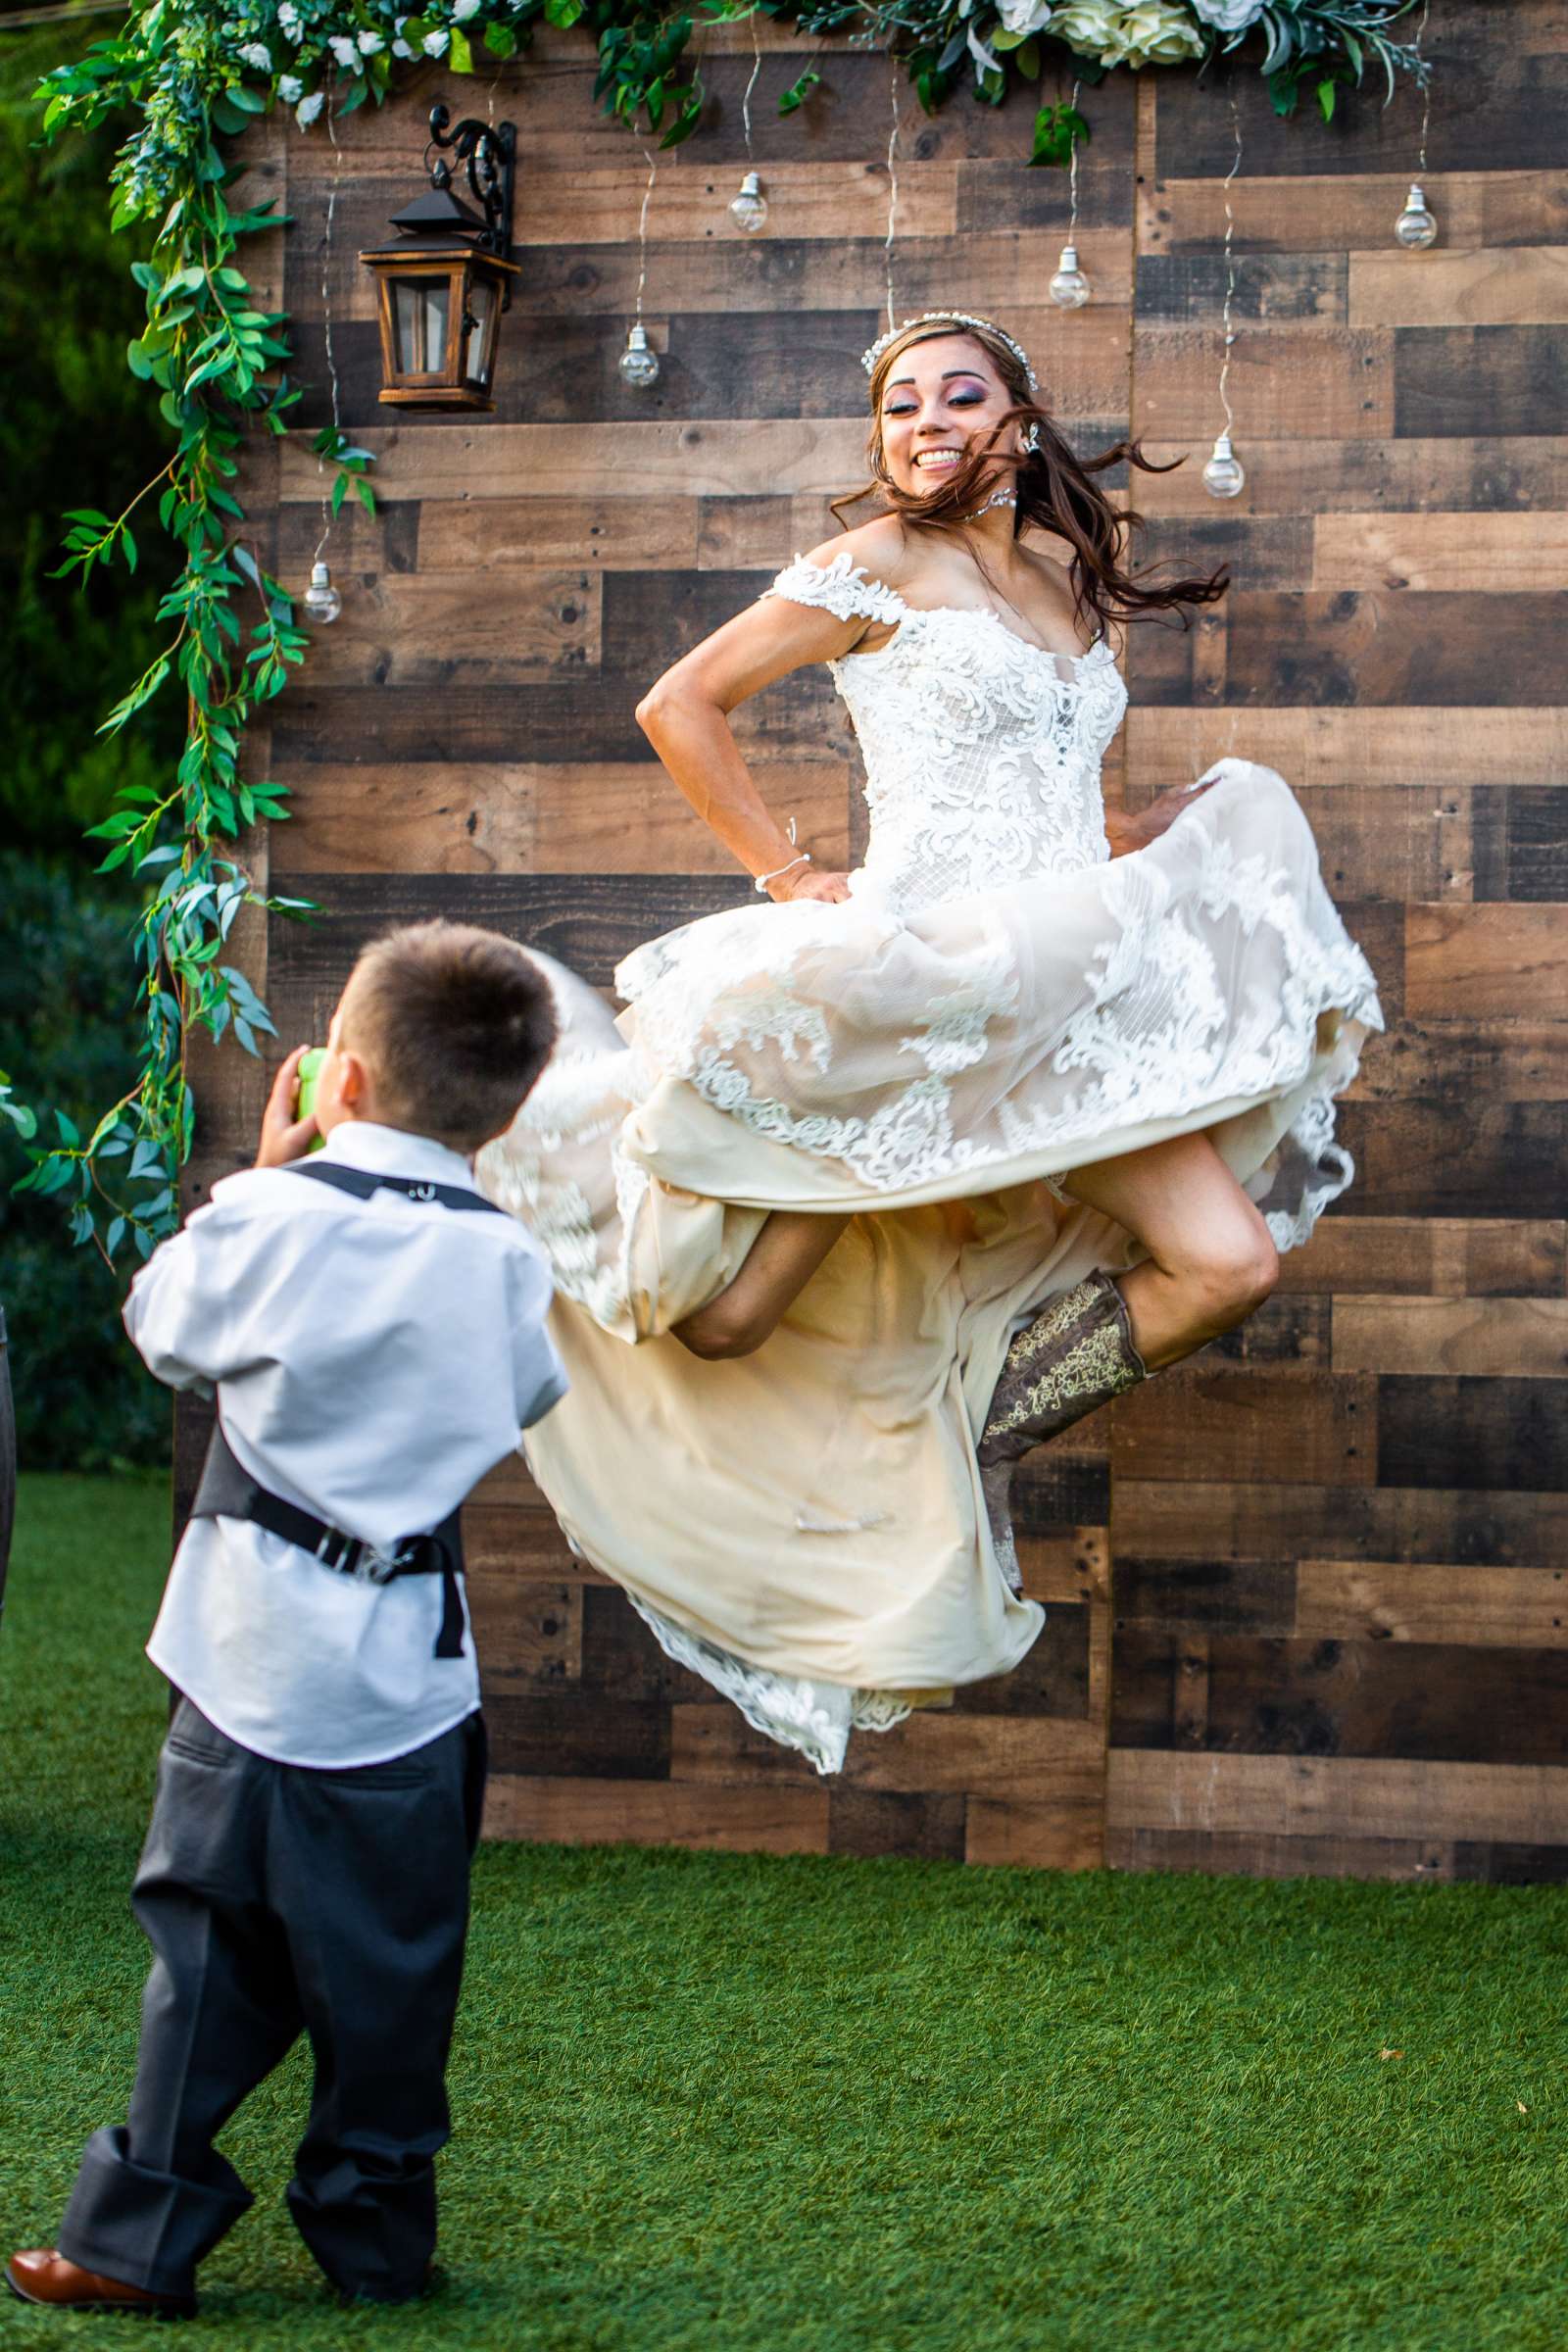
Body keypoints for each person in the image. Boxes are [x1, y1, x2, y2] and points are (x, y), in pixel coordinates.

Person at [478, 310, 1382, 1776]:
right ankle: (541, 1211)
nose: (926, 420)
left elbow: (1059, 798)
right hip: (914, 994)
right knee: (726, 1323)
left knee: (1228, 1262)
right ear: (882, 442)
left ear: (1020, 423)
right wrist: (786, 872)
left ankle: (957, 1434)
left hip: (1053, 1002)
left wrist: (1163, 831)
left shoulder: (1066, 589)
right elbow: (680, 703)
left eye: (961, 395)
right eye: (901, 405)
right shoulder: (875, 568)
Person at [7, 921, 565, 2319]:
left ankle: (133, 2244)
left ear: (345, 1080)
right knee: (397, 1976)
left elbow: (162, 1329)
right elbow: (528, 1396)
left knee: (204, 1956)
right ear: (506, 1111)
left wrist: (267, 1172)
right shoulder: (510, 1265)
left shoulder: (274, 1216)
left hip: (248, 1660)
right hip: (410, 1688)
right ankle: (377, 2247)